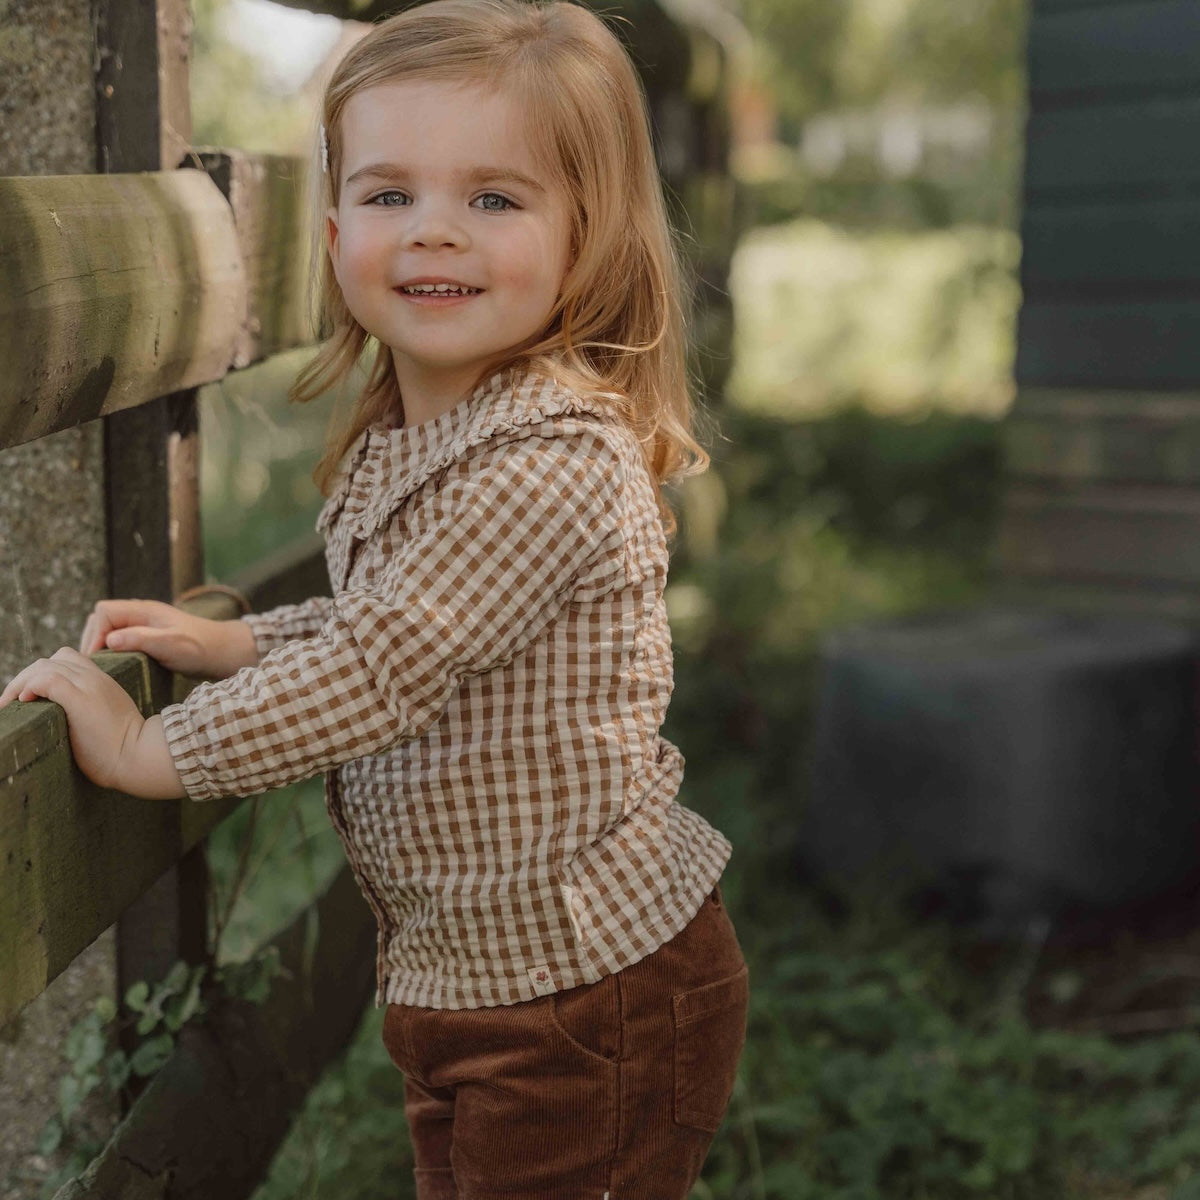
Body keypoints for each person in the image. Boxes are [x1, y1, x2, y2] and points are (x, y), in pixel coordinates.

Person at [0, 1, 748, 1196]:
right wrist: (242, 640)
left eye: (494, 200)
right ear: (336, 228)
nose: (434, 234)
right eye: (393, 196)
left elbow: (379, 670)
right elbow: (394, 620)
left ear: (587, 236)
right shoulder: (429, 437)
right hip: (481, 981)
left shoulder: (544, 465)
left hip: (584, 996)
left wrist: (152, 748)